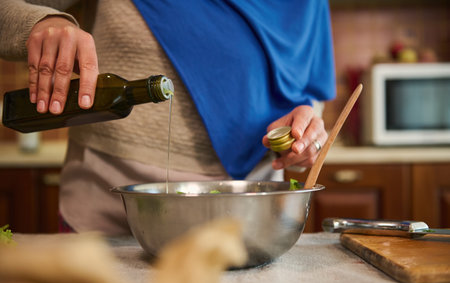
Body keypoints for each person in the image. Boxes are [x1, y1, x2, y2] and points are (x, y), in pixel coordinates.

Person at [0, 0, 336, 235]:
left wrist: (304, 134)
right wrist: (44, 23)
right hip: (113, 214)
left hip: (249, 219)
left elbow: (308, 97)